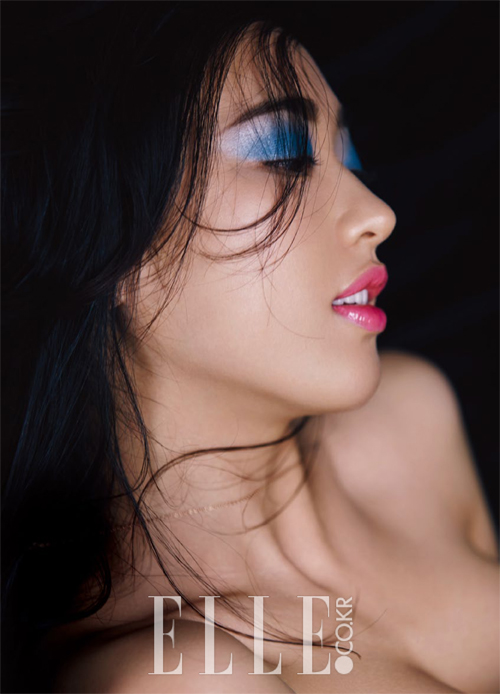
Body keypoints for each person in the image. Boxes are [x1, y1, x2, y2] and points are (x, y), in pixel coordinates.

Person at [2, 3, 498, 693]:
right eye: (281, 156)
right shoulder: (175, 677)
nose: (377, 213)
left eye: (348, 155)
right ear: (112, 246)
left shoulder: (408, 422)